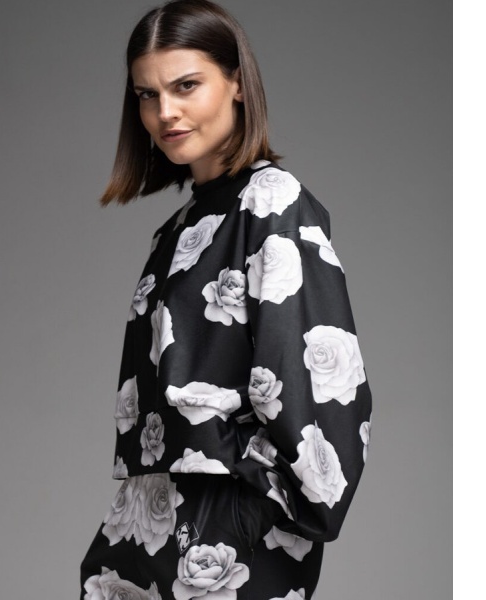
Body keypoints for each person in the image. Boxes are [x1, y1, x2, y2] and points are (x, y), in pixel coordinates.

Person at [79, 1, 373, 598]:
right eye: (147, 94)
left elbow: (319, 380)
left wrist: (256, 509)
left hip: (226, 525)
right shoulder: (179, 227)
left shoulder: (272, 203)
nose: (165, 112)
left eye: (186, 85)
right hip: (150, 513)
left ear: (237, 83)